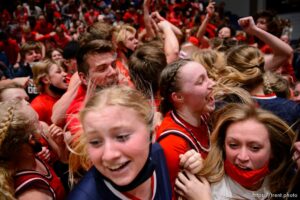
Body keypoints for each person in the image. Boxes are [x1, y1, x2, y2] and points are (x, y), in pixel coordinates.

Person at [68, 86, 172, 200]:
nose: (109, 155)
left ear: (152, 133)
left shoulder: (158, 154)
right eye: (95, 142)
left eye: (122, 136)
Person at [175, 103, 295, 199]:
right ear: (223, 145)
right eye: (233, 145)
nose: (242, 157)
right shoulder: (202, 186)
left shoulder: (286, 184)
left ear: (272, 151)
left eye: (254, 148)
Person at [156, 58, 215, 198]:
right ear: (178, 97)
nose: (212, 83)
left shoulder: (204, 115)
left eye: (208, 76)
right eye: (201, 81)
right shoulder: (172, 145)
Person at [0, 99, 65, 199]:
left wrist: (60, 145)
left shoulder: (32, 156)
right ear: (31, 141)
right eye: (37, 122)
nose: (42, 125)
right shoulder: (33, 194)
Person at [31, 59, 68, 125]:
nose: (65, 74)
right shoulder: (38, 106)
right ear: (46, 80)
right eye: (59, 72)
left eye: (64, 71)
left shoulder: (68, 96)